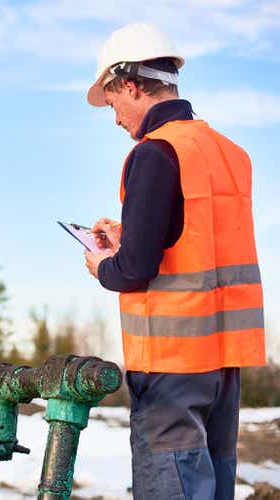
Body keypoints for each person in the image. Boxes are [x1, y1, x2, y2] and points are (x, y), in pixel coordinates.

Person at [83, 23, 265, 500]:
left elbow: (135, 269)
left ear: (130, 84)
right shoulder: (230, 154)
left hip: (172, 369)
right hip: (223, 366)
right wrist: (127, 235)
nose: (115, 117)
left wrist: (102, 263)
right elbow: (197, 238)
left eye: (112, 101)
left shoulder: (154, 152)